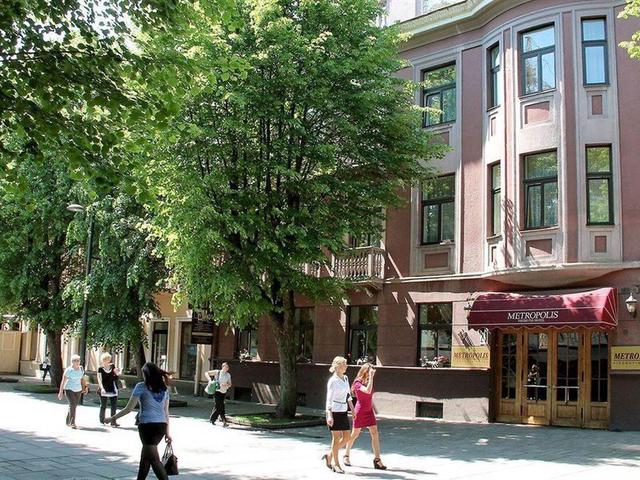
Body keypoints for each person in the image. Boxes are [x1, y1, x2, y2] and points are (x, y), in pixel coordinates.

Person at [106, 362, 172, 480]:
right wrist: (167, 433)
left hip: (147, 427)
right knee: (145, 458)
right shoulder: (164, 389)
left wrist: (112, 418)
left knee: (154, 460)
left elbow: (128, 408)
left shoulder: (141, 386)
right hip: (161, 426)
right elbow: (166, 413)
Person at [344, 363, 387, 470]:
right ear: (365, 371)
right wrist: (371, 377)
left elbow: (369, 396)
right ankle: (346, 455)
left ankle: (377, 460)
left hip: (369, 411)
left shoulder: (368, 381)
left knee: (375, 433)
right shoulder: (357, 383)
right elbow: (367, 391)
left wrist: (372, 408)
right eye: (369, 371)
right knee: (355, 434)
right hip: (360, 412)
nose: (371, 373)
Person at [323, 356, 354, 474]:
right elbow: (329, 399)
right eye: (344, 364)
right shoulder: (333, 381)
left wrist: (353, 409)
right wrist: (329, 415)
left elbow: (348, 395)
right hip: (334, 411)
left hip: (343, 410)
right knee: (336, 438)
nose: (346, 366)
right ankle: (336, 464)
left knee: (347, 437)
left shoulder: (345, 378)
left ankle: (329, 454)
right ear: (338, 367)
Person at [57, 354, 87, 429]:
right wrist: (60, 392)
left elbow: (82, 379)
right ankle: (72, 422)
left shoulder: (81, 369)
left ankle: (68, 420)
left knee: (73, 405)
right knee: (73, 405)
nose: (77, 362)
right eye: (75, 361)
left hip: (78, 389)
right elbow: (63, 381)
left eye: (78, 360)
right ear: (72, 362)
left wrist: (85, 387)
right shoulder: (69, 370)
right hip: (69, 389)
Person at [97, 352, 121, 427]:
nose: (107, 361)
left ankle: (113, 421)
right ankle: (102, 421)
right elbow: (99, 379)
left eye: (108, 359)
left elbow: (116, 376)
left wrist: (117, 373)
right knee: (103, 405)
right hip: (104, 388)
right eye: (105, 359)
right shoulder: (100, 369)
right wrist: (102, 388)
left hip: (112, 388)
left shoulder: (113, 367)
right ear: (102, 360)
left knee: (114, 405)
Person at [205, 362, 232, 427]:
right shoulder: (217, 372)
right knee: (220, 406)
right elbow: (206, 373)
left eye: (228, 367)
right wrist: (209, 380)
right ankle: (224, 421)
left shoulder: (228, 375)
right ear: (223, 367)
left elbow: (230, 384)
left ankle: (212, 419)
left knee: (218, 406)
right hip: (216, 392)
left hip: (223, 392)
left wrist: (226, 384)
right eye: (226, 367)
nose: (227, 368)